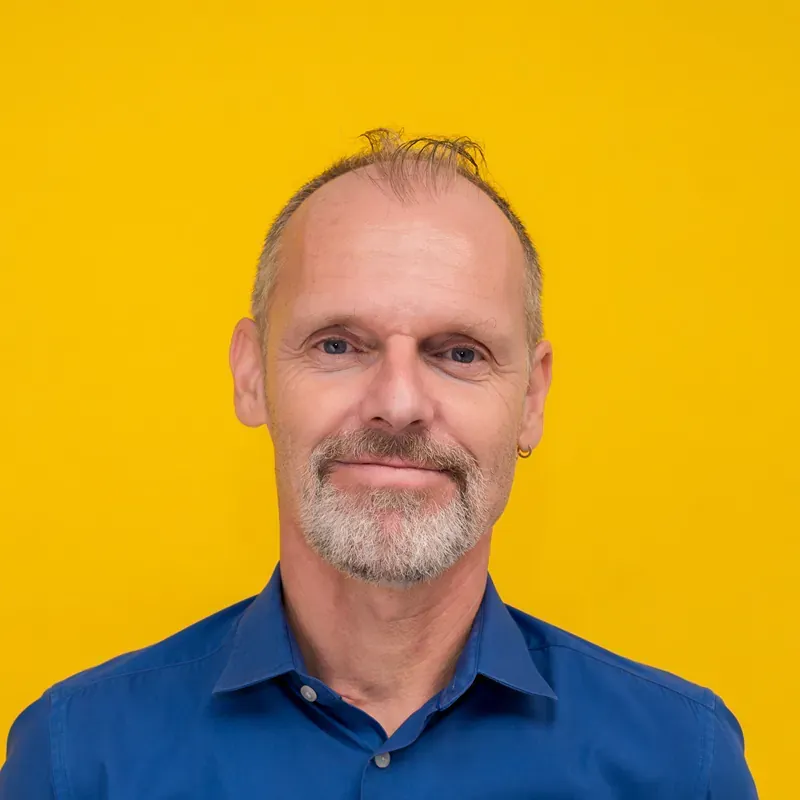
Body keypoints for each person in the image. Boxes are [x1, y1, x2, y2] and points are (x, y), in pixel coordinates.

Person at [0, 129, 758, 798]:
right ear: (251, 376)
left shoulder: (680, 766)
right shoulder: (77, 763)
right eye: (338, 345)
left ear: (531, 397)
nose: (398, 404)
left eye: (460, 353)